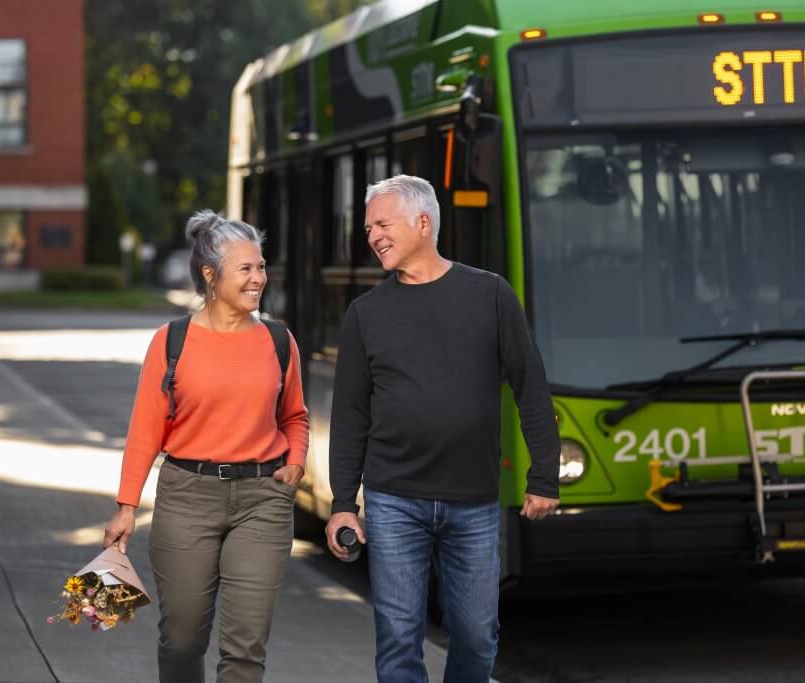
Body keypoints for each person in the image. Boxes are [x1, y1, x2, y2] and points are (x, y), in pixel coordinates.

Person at [325, 175, 560, 682]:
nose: (373, 236)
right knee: (397, 640)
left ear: (423, 223)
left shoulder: (490, 295)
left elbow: (531, 387)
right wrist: (343, 502)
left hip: (472, 501)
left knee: (477, 637)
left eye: (383, 224)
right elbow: (350, 415)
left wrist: (544, 475)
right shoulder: (365, 314)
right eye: (368, 228)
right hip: (392, 501)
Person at [103, 210, 309, 683]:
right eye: (246, 269)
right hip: (187, 496)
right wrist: (125, 506)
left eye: (260, 267)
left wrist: (295, 460)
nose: (259, 278)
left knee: (245, 649)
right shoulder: (171, 341)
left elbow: (295, 416)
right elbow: (145, 430)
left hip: (262, 500)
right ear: (211, 276)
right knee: (181, 640)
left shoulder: (280, 341)